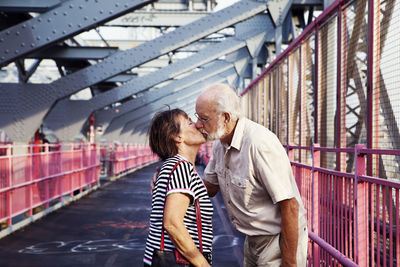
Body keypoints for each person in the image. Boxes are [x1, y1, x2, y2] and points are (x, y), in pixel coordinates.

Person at [194, 83, 308, 267]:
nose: (198, 124)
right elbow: (211, 187)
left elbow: (290, 205)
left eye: (204, 118)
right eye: (197, 117)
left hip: (278, 239)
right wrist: (176, 182)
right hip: (252, 237)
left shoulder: (259, 144)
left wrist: (289, 262)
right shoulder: (220, 143)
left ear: (225, 117)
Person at [144, 108, 213, 267]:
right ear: (177, 136)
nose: (197, 124)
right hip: (176, 261)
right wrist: (203, 264)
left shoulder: (177, 167)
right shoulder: (180, 168)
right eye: (189, 123)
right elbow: (172, 224)